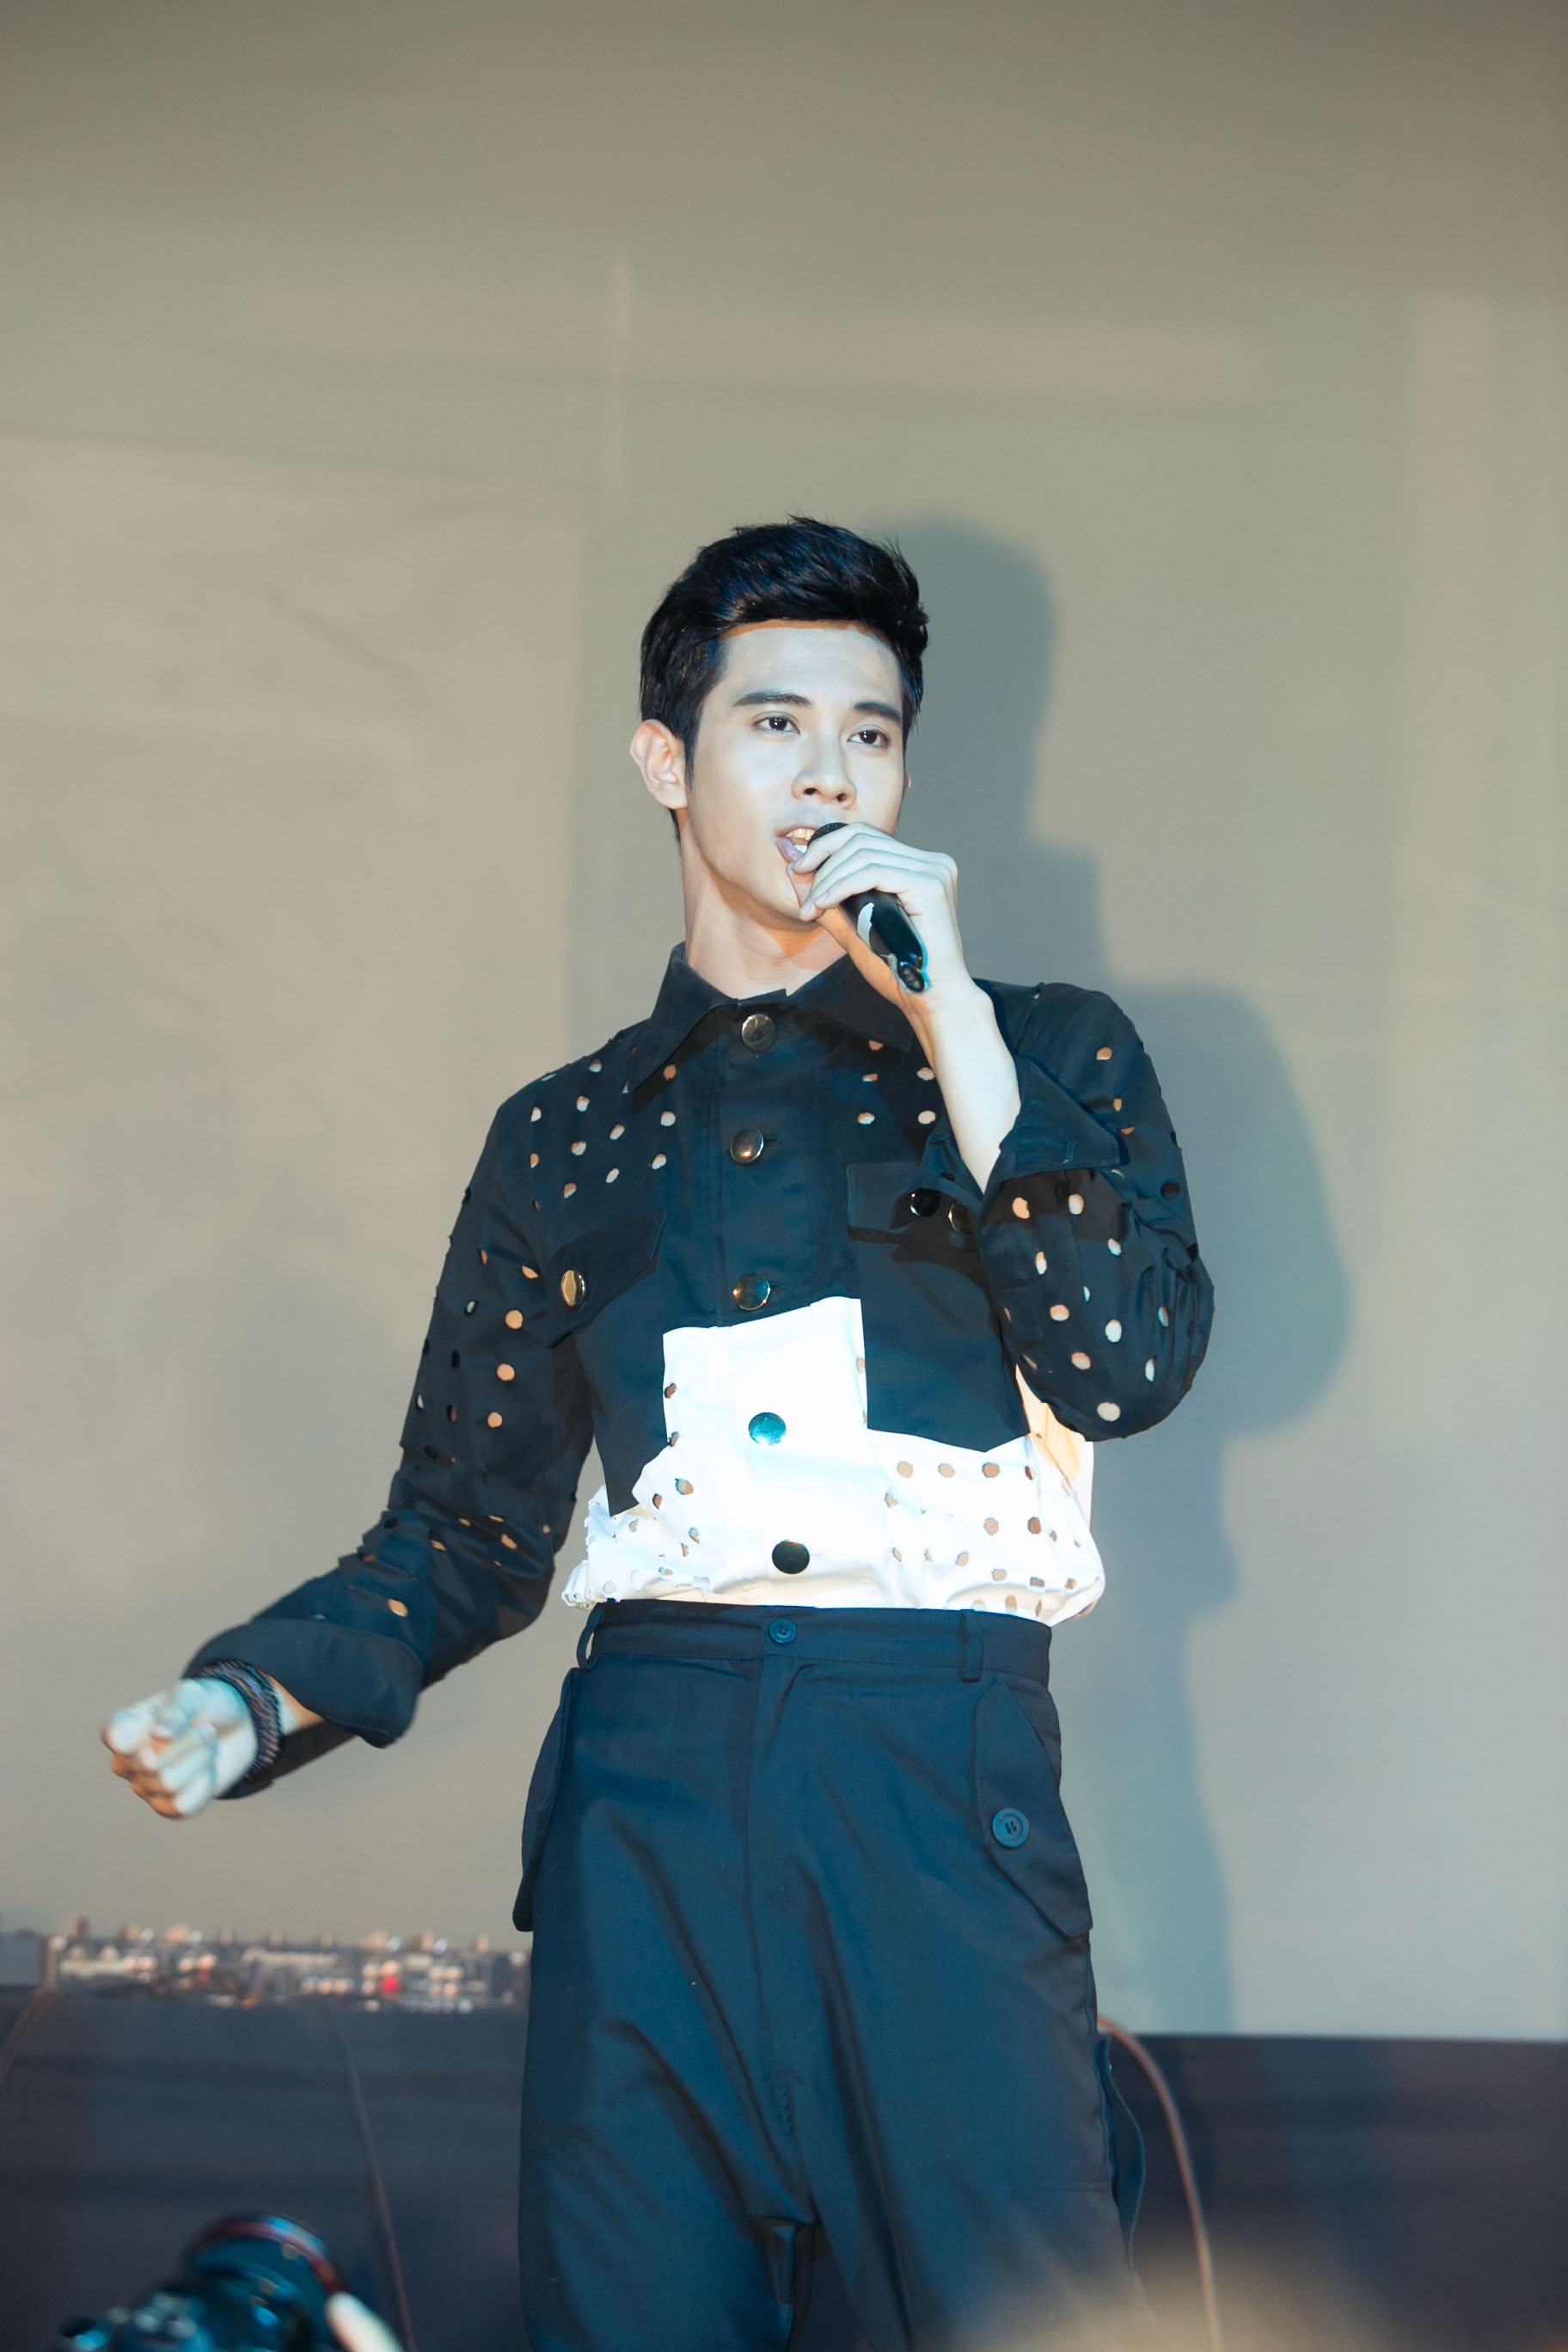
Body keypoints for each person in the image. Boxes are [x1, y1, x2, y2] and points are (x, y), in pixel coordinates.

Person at [105, 519, 1214, 2352]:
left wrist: (953, 1019)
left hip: (932, 1781)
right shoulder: (565, 1134)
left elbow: (1124, 1366)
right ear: (666, 761)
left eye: (871, 734)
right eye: (777, 724)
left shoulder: (1046, 1051)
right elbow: (466, 1527)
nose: (829, 774)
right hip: (649, 1796)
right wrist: (253, 1693)